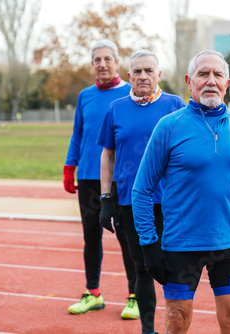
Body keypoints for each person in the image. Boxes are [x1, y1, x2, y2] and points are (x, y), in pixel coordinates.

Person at [131, 50, 230, 333]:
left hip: (229, 242)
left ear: (227, 83)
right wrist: (149, 245)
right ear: (189, 81)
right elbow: (142, 190)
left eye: (218, 75)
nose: (210, 81)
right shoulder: (169, 127)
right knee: (177, 320)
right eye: (203, 74)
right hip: (181, 243)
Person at [98, 50, 186, 334]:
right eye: (137, 71)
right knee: (143, 267)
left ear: (159, 75)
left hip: (170, 202)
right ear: (129, 77)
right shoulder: (116, 108)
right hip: (131, 203)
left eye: (149, 70)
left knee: (174, 268)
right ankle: (148, 330)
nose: (143, 76)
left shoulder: (175, 105)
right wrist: (105, 198)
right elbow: (107, 155)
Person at [64, 39, 138, 319]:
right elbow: (78, 135)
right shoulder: (85, 95)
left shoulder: (130, 93)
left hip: (119, 179)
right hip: (88, 178)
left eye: (108, 59)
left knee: (126, 239)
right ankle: (93, 293)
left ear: (117, 63)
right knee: (90, 237)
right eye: (97, 60)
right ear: (92, 64)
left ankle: (135, 295)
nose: (102, 64)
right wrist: (70, 166)